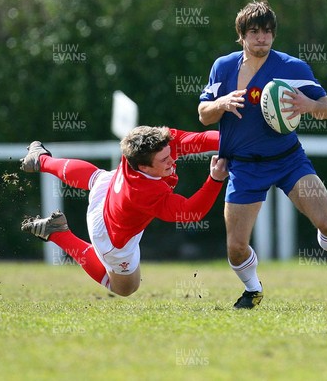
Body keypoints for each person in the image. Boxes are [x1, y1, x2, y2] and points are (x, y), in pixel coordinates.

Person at [198, 0, 327, 309]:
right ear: (241, 35)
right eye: (254, 31)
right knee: (236, 247)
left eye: (267, 31)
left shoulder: (291, 67)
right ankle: (253, 289)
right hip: (244, 167)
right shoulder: (224, 67)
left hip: (288, 161)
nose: (262, 38)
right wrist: (222, 103)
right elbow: (204, 114)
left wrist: (308, 106)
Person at [19, 126, 228, 297]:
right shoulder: (145, 192)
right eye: (164, 160)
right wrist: (216, 179)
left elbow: (200, 139)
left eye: (169, 154)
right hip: (110, 236)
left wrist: (234, 141)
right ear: (144, 168)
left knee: (97, 177)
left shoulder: (152, 145)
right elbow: (191, 212)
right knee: (126, 288)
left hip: (109, 189)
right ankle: (59, 234)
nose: (172, 160)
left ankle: (41, 160)